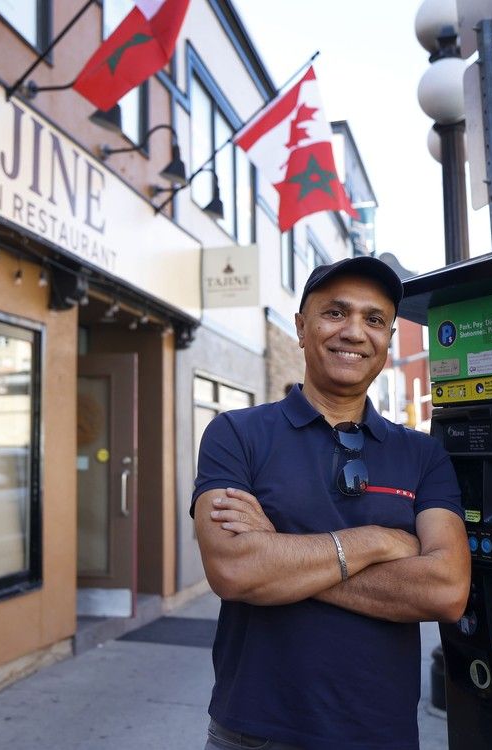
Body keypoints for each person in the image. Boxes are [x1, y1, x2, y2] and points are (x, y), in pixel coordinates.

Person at [191, 255, 471, 750]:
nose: (355, 332)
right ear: (302, 327)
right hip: (253, 731)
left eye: (375, 319)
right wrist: (380, 541)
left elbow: (446, 591)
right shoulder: (236, 434)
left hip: (378, 734)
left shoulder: (422, 454)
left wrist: (278, 552)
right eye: (335, 312)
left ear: (387, 341)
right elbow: (234, 571)